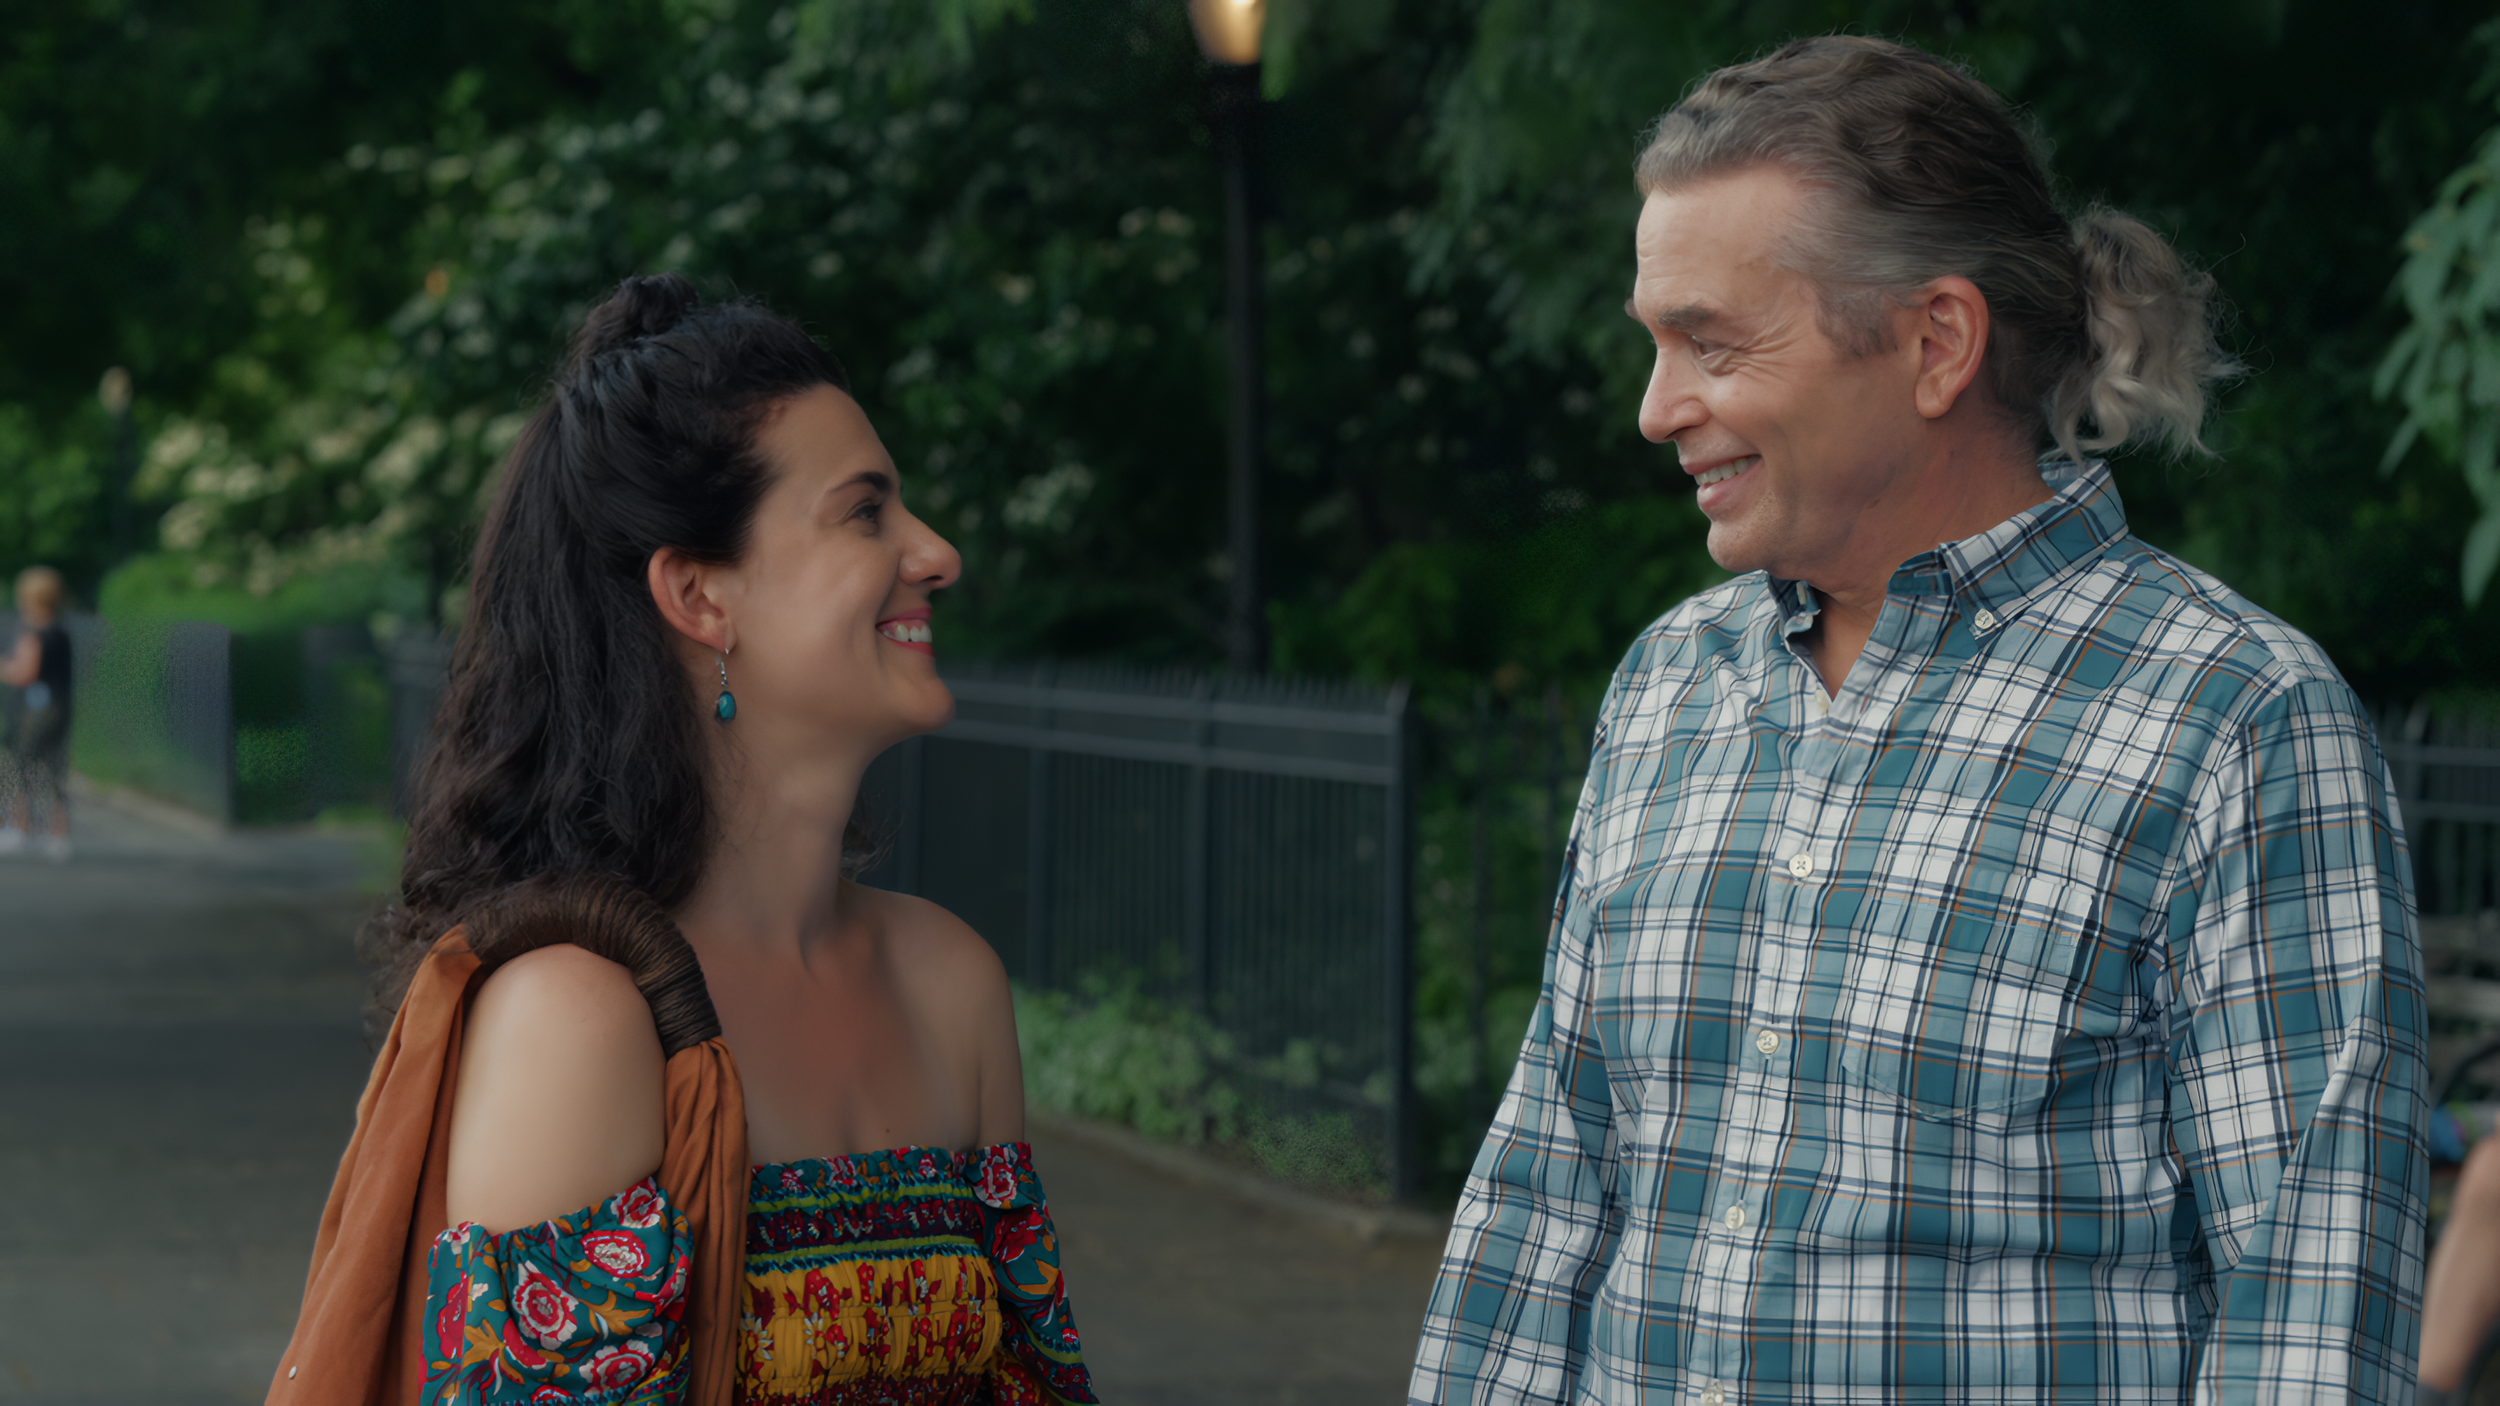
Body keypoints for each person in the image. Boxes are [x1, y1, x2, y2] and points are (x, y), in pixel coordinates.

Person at [1409, 35, 2425, 1405]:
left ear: (1935, 342)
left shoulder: (2235, 716)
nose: (1656, 410)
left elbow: (2306, 1312)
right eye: (1655, 344)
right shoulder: (1669, 683)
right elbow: (1545, 1194)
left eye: (1711, 341)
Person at [268, 274, 1095, 1404]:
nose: (937, 552)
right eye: (866, 512)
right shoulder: (580, 1020)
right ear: (701, 595)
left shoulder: (951, 981)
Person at [2, 565, 74, 861]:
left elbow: (24, 673)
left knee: (18, 766)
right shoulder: (59, 632)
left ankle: (21, 828)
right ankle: (58, 835)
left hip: (34, 713)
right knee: (53, 769)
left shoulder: (33, 633)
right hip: (58, 708)